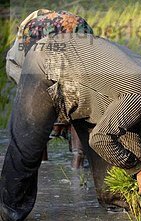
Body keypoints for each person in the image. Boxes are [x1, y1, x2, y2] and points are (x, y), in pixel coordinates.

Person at [0, 33, 141, 221]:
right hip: (47, 64)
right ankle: (9, 214)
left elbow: (129, 130)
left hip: (85, 87)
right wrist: (139, 169)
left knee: (111, 176)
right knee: (27, 148)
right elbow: (100, 139)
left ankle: (117, 202)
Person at [5, 9, 94, 168]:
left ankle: (43, 161)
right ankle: (77, 163)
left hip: (40, 33)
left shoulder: (18, 50)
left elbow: (26, 75)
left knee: (37, 107)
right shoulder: (69, 21)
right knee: (79, 103)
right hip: (77, 25)